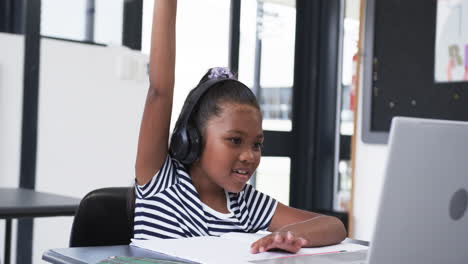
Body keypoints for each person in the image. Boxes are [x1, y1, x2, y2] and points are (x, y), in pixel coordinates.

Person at [134, 0, 347, 254]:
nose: (250, 156)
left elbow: (334, 226)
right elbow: (160, 92)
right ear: (193, 138)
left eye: (257, 144)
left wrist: (284, 235)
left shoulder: (246, 203)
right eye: (235, 140)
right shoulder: (162, 180)